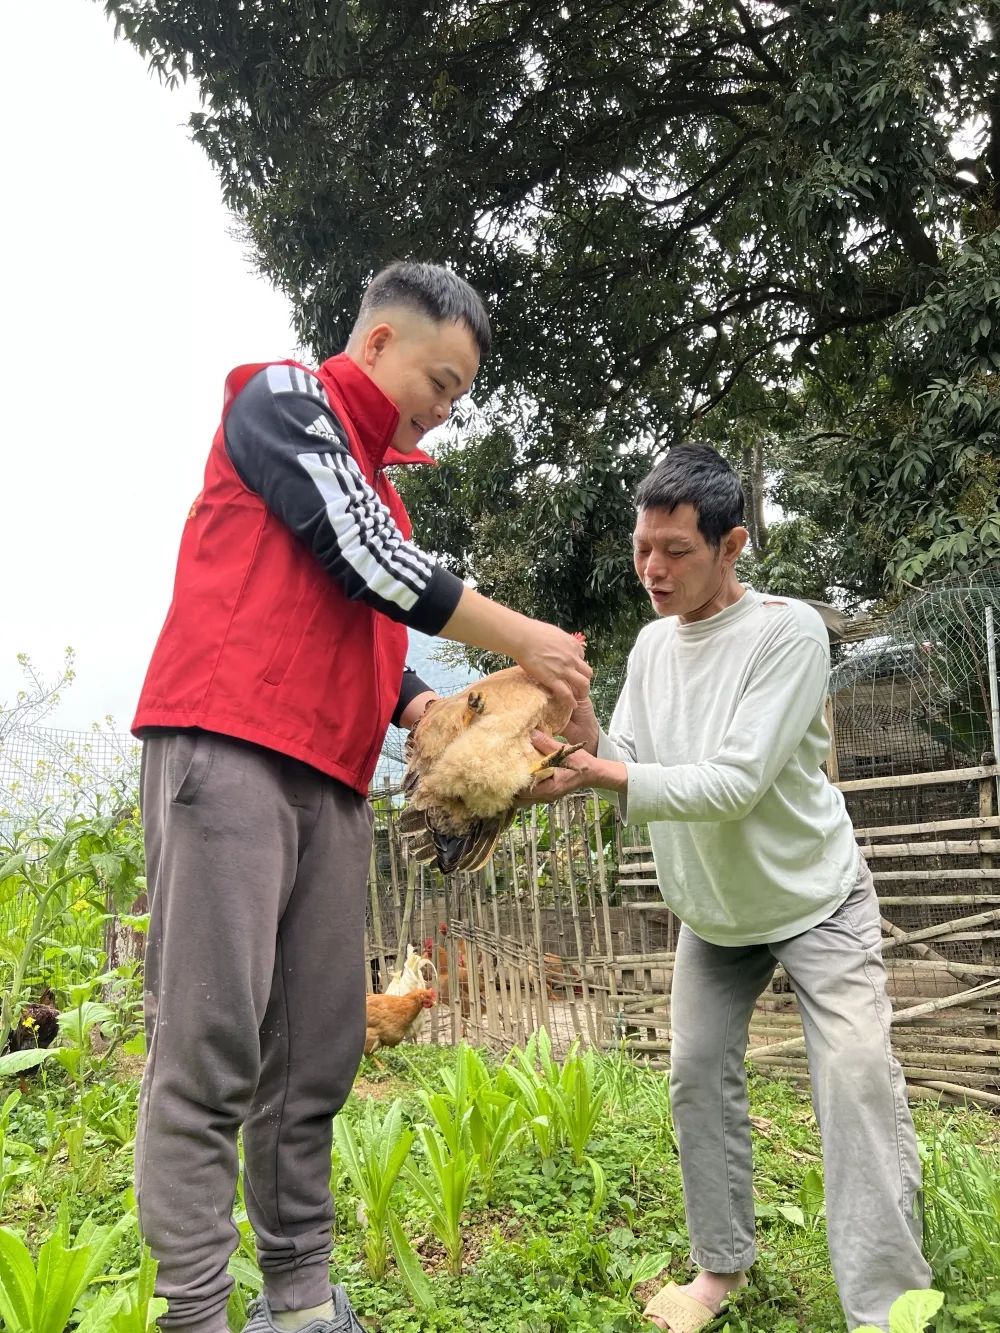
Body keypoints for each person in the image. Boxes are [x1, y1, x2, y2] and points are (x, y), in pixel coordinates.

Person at [130, 261, 590, 1333]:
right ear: (378, 342)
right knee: (211, 1048)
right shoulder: (281, 398)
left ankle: (298, 1303)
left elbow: (364, 631)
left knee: (315, 1053)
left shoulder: (381, 487)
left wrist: (436, 715)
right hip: (230, 746)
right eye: (442, 378)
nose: (445, 407)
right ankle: (193, 1311)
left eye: (460, 395)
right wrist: (520, 634)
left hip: (330, 780)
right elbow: (365, 560)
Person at [526, 444, 930, 1333]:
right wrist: (582, 738)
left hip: (815, 898)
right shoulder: (649, 644)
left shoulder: (787, 633)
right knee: (695, 1074)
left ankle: (889, 1307)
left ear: (732, 544)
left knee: (856, 1077)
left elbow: (733, 781)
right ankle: (721, 1266)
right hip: (713, 910)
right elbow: (629, 757)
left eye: (675, 549)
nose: (653, 569)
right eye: (642, 547)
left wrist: (603, 775)